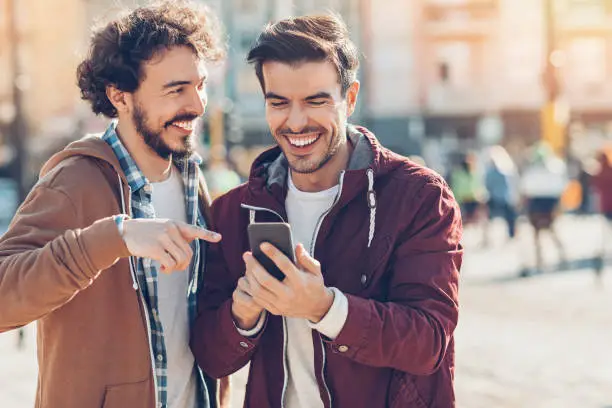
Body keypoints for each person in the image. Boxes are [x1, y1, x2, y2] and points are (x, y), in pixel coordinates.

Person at [191, 14, 463, 407]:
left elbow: (429, 342)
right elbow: (212, 358)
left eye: (316, 101)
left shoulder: (420, 197)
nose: (296, 121)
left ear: (349, 98)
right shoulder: (235, 212)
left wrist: (324, 307)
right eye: (279, 103)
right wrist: (242, 314)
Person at [0, 2, 226, 407]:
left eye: (200, 84)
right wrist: (114, 237)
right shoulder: (75, 181)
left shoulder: (191, 177)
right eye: (176, 89)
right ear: (119, 96)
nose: (197, 104)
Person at [520, 142, 568, 274]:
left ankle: (541, 260)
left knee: (539, 234)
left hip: (538, 203)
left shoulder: (534, 169)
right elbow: (562, 187)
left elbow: (525, 188)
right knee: (550, 232)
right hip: (548, 203)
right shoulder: (556, 167)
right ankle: (560, 257)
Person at [483, 145, 519, 242]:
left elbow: (487, 185)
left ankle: (487, 237)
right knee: (511, 216)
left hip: (496, 199)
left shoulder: (490, 171)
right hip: (503, 199)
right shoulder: (507, 170)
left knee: (489, 216)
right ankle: (511, 234)